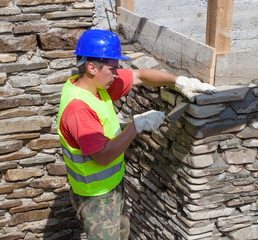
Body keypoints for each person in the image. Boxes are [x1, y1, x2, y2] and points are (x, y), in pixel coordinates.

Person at [57, 29, 217, 240]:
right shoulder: (79, 109)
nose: (116, 75)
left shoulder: (96, 87)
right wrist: (135, 126)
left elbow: (139, 75)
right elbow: (103, 156)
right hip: (96, 199)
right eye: (113, 69)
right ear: (92, 67)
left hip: (111, 188)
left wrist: (178, 81)